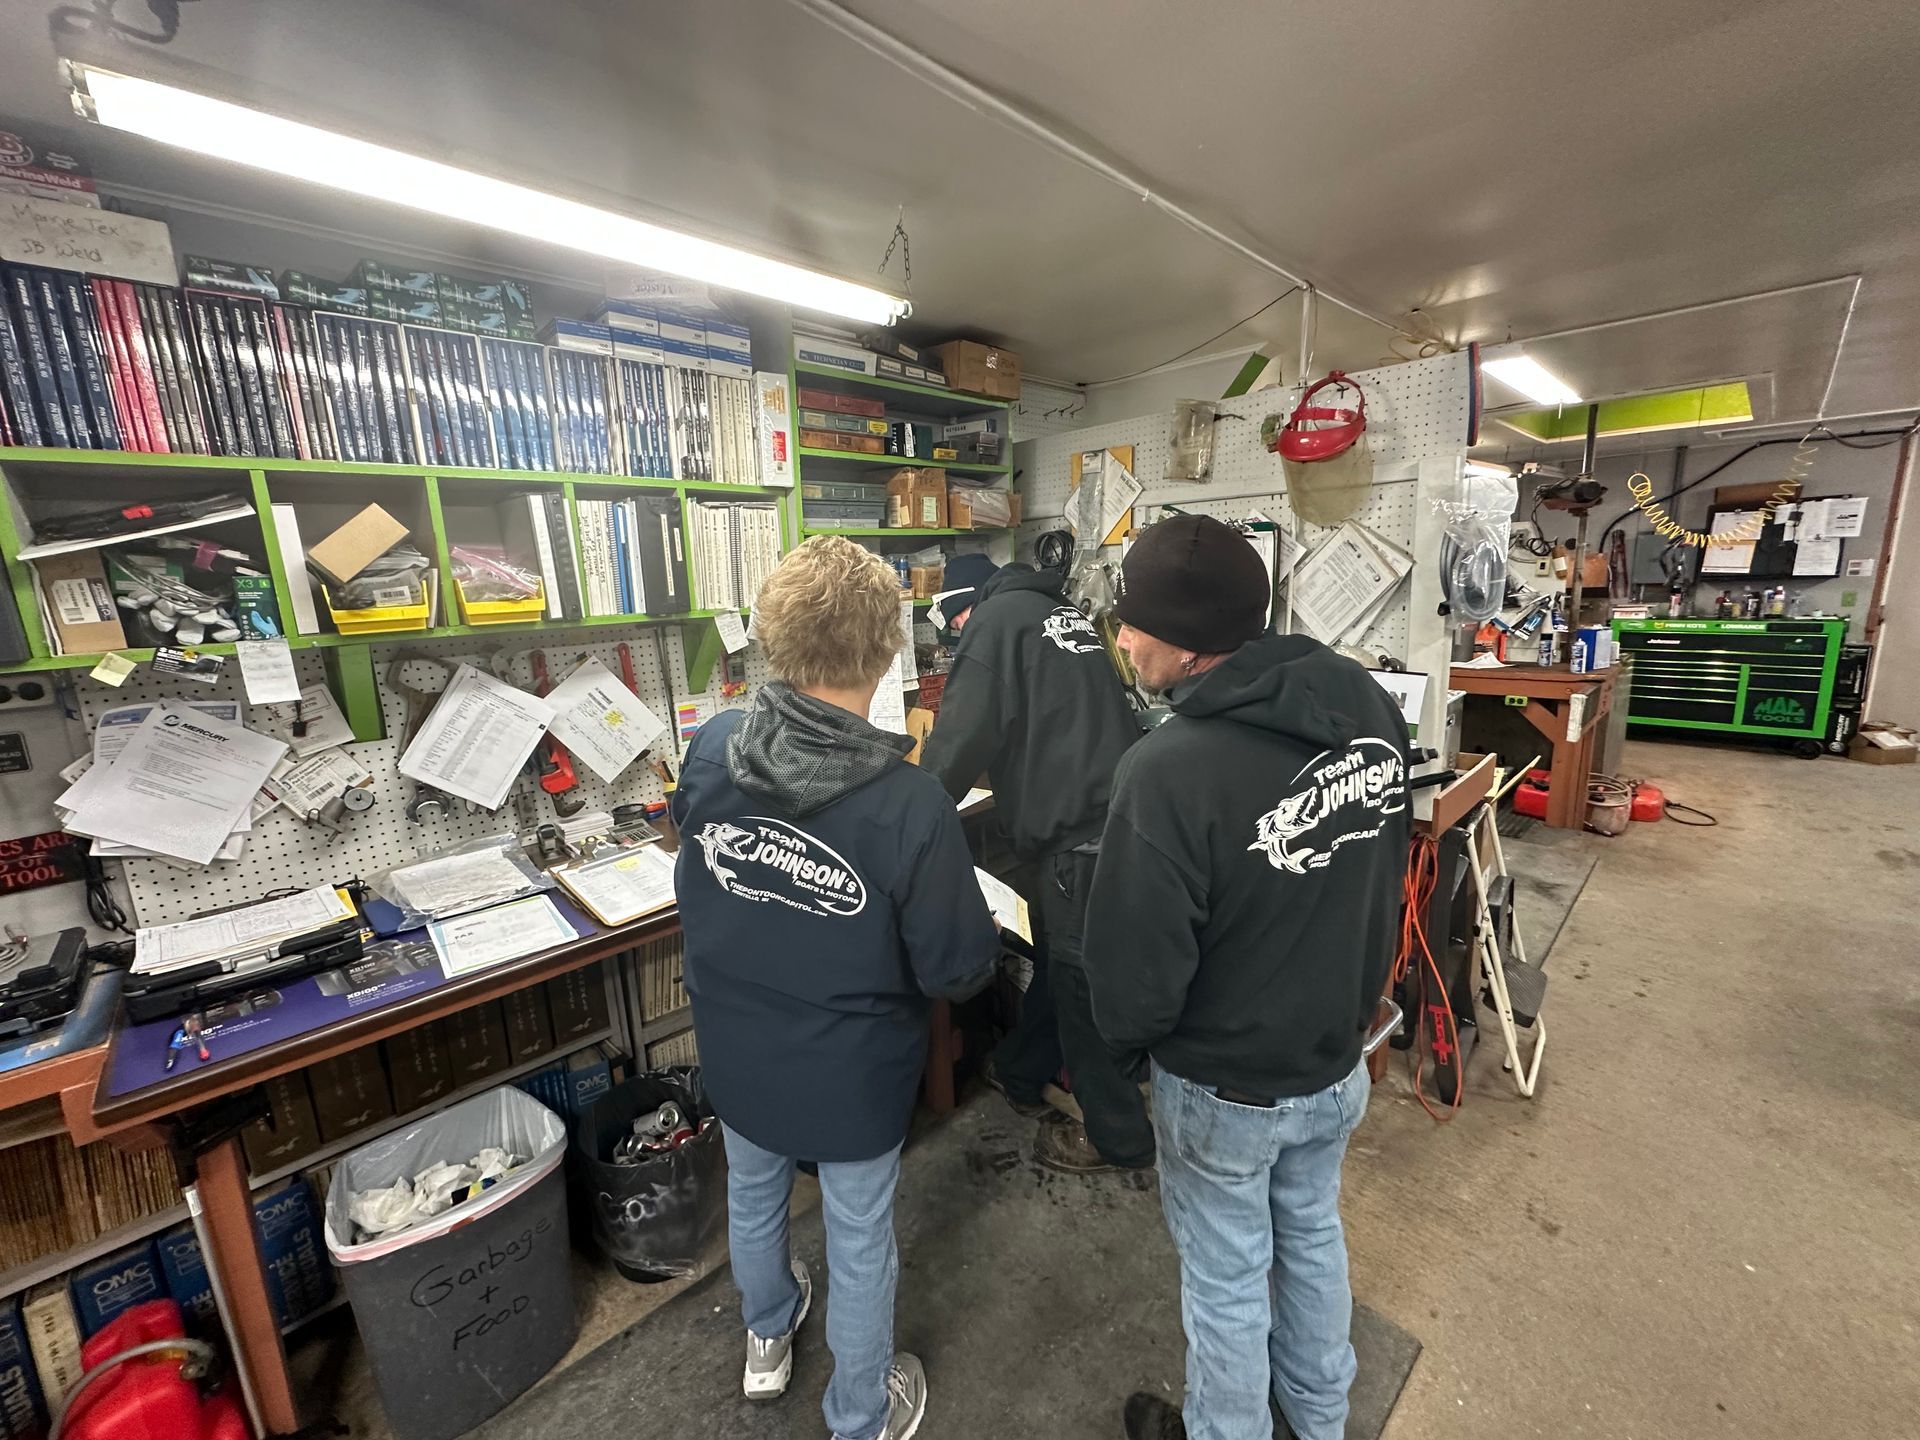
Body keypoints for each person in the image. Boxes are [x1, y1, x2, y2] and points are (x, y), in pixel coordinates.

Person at [1081, 515, 1412, 1440]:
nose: (1121, 640)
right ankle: (1319, 1422)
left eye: (1131, 624)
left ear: (1183, 644)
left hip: (1224, 1088)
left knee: (1227, 1280)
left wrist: (1125, 1049)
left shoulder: (1166, 770)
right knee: (1309, 1239)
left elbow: (1137, 978)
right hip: (1334, 1059)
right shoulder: (1364, 705)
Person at [671, 535, 1000, 1440]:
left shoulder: (714, 745)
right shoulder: (910, 802)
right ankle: (860, 1414)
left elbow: (692, 841)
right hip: (850, 1074)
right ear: (889, 648)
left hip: (735, 1044)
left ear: (774, 643)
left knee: (754, 1188)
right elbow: (957, 969)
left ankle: (767, 1337)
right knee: (857, 1234)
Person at [920, 550, 1151, 1174]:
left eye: (951, 629)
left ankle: (1119, 1139)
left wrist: (909, 811)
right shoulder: (1059, 612)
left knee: (1079, 989)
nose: (954, 641)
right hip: (1120, 823)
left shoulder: (993, 626)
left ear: (961, 610)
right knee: (1060, 963)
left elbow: (959, 740)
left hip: (1078, 840)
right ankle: (1021, 1072)